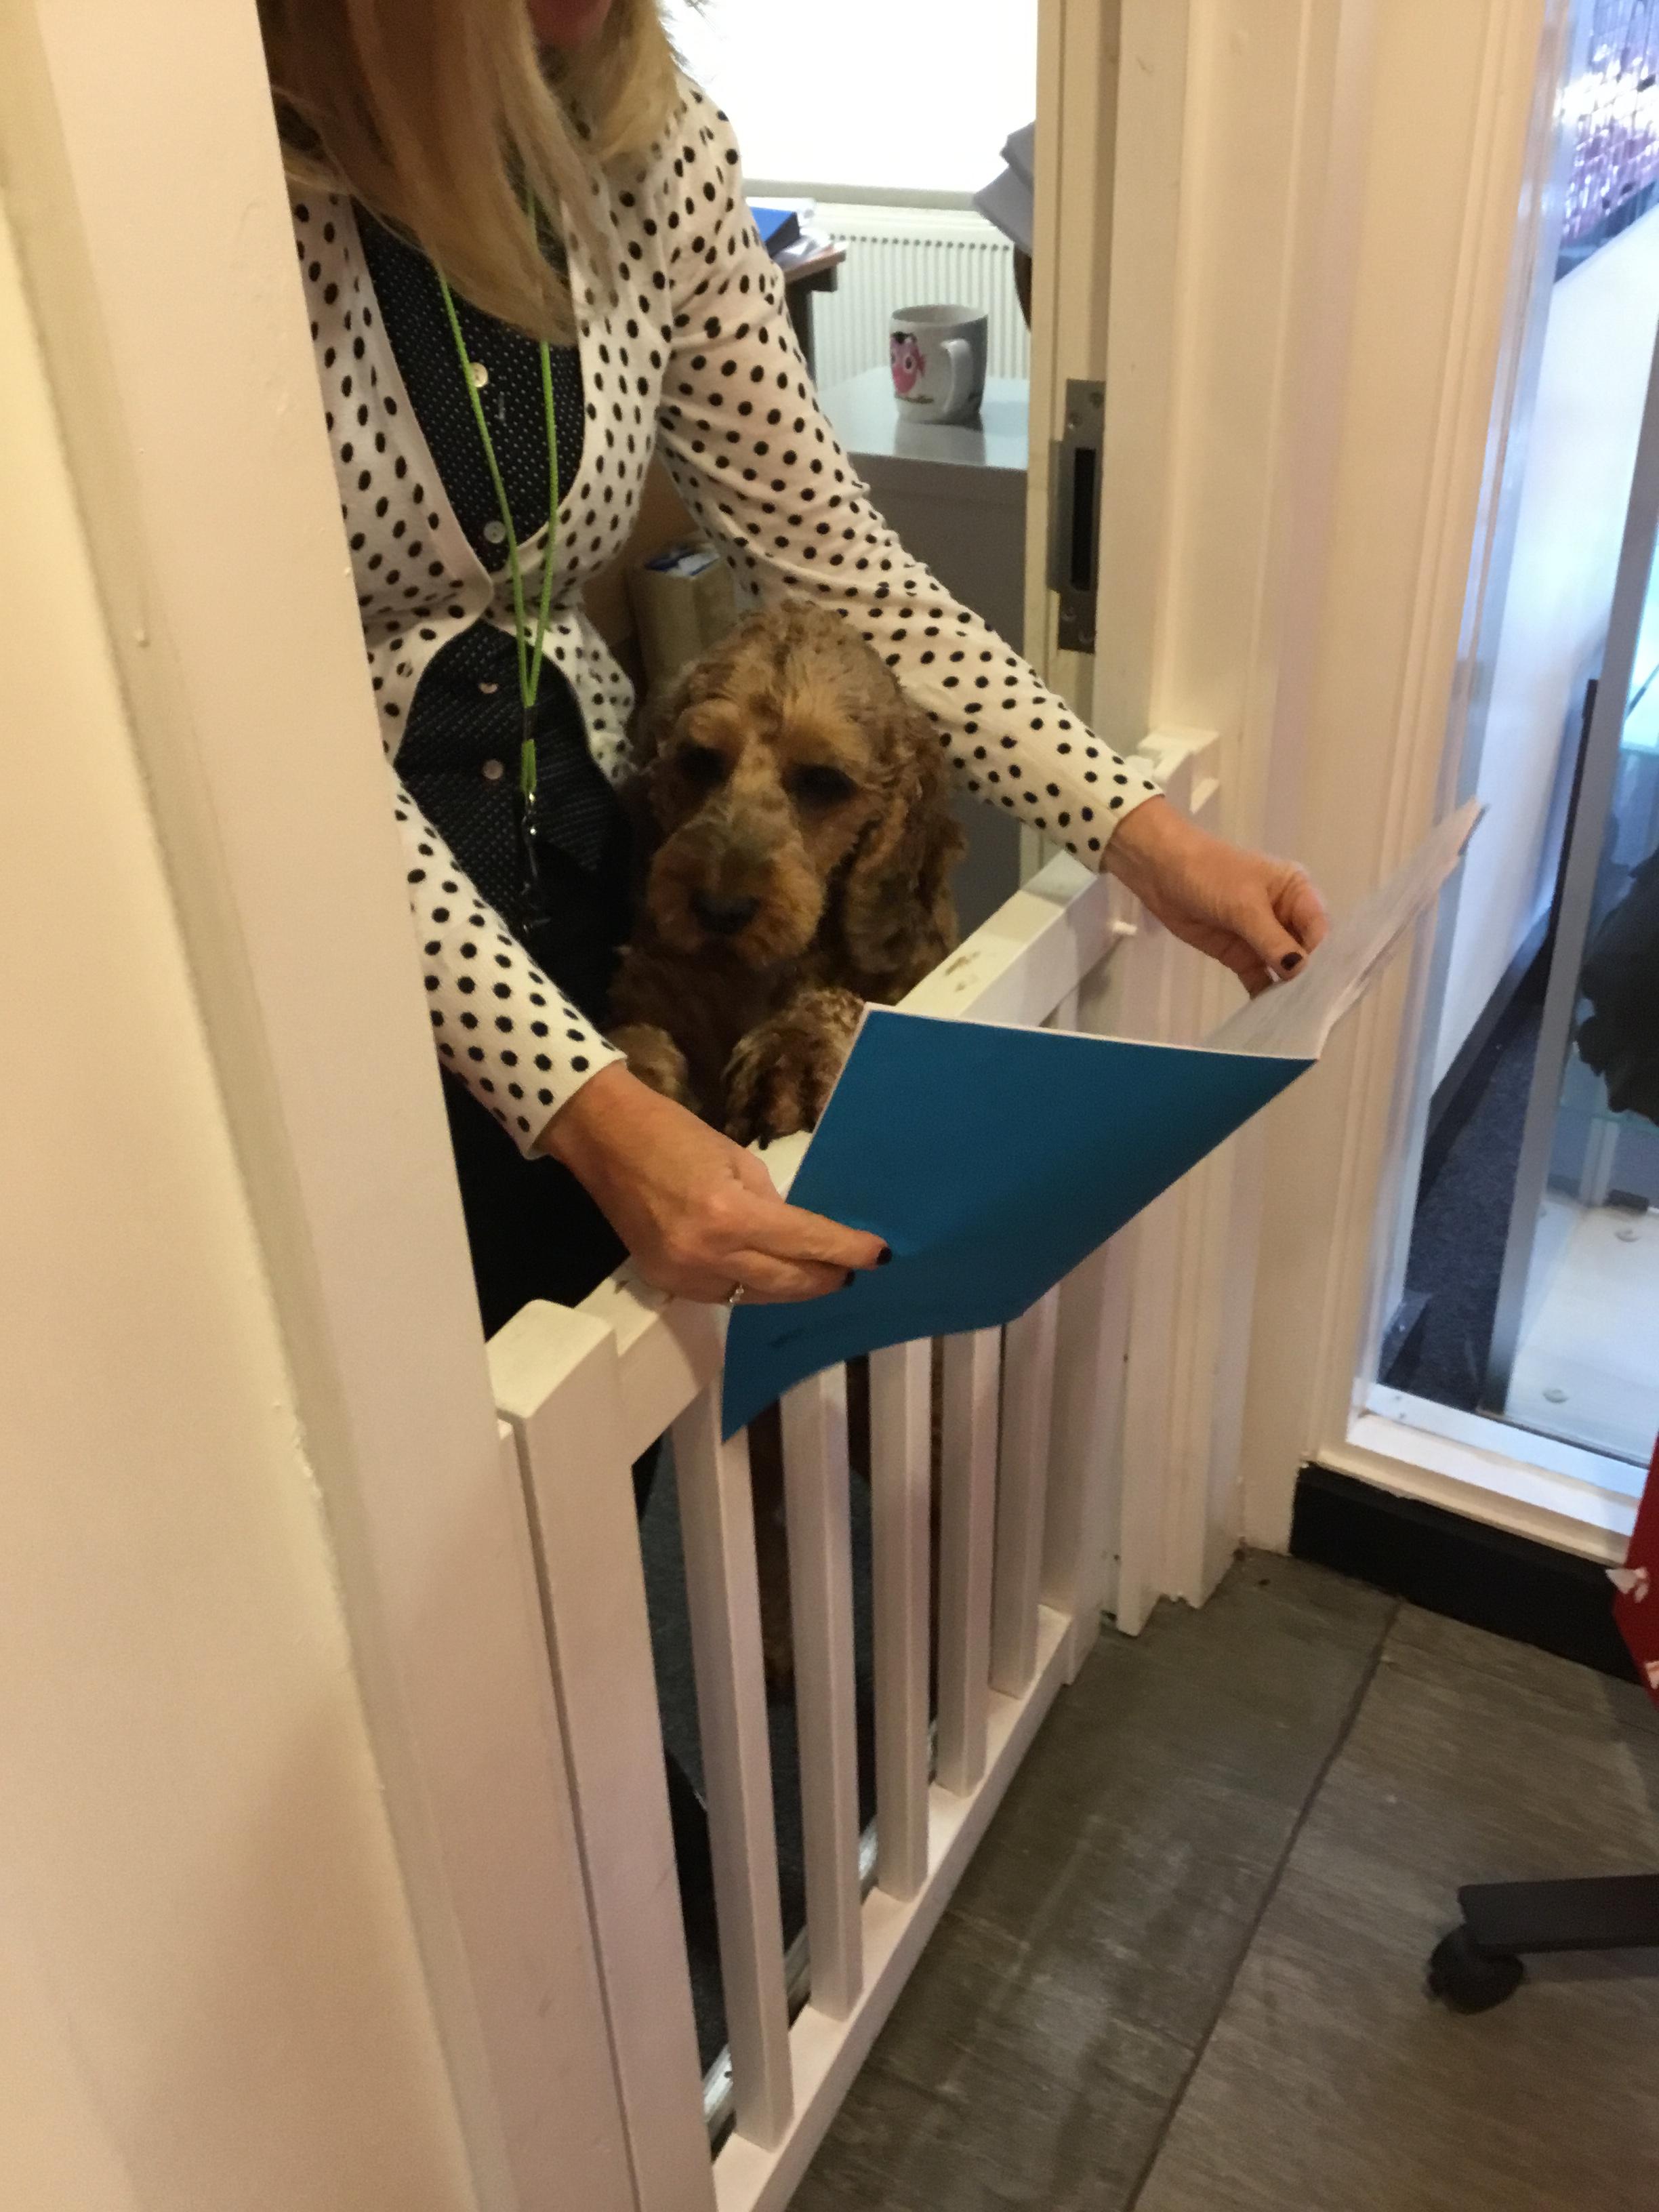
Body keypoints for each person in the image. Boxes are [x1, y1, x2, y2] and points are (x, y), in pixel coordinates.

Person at [258, 0, 1327, 1331]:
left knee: (641, 1350)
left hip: (586, 874)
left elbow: (838, 569)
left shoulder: (651, 145)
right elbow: (266, 738)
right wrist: (577, 1098)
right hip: (331, 921)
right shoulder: (217, 174)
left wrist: (1143, 834)